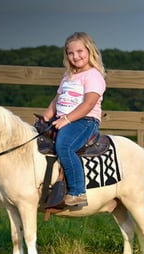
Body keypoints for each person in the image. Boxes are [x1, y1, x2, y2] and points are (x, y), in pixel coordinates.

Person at [42, 32, 106, 207]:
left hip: (84, 121)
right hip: (63, 119)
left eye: (80, 51)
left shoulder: (93, 75)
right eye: (71, 53)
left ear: (89, 50)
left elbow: (88, 103)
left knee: (65, 146)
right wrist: (47, 115)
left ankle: (78, 192)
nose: (75, 56)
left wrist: (67, 119)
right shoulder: (68, 76)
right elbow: (57, 99)